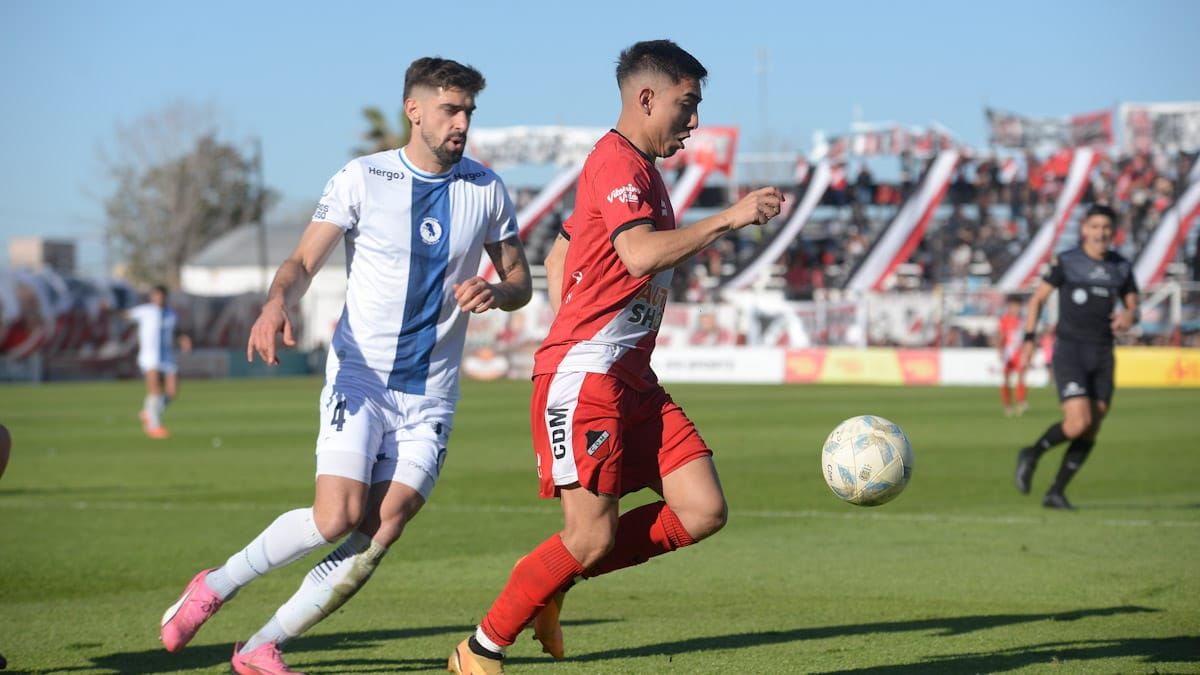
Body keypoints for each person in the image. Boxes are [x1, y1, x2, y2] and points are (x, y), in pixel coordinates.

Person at [158, 56, 532, 675]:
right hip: (361, 377)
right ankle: (214, 585)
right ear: (414, 110)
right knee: (335, 516)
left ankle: (259, 648)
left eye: (469, 110)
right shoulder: (364, 177)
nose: (462, 121)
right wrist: (277, 302)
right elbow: (303, 263)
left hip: (432, 395)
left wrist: (498, 291)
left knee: (383, 527)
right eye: (450, 109)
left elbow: (519, 277)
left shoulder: (486, 189)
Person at [449, 39, 783, 674]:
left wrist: (577, 313)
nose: (694, 121)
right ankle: (480, 648)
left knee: (703, 509)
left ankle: (554, 583)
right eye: (686, 106)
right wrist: (731, 217)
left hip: (629, 377)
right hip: (591, 377)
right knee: (591, 535)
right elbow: (637, 257)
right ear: (647, 97)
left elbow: (559, 255)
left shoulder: (638, 171)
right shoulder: (617, 164)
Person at [1014, 204, 1138, 510]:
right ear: (1084, 229)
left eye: (1106, 227)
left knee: (1093, 426)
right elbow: (1038, 299)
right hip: (1071, 351)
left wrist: (1129, 316)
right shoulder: (1067, 261)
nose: (1100, 233)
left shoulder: (1120, 266)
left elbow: (1133, 304)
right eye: (1094, 226)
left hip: (1103, 354)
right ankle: (1032, 452)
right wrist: (1029, 339)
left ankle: (1055, 492)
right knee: (1077, 423)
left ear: (1113, 231)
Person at [126, 285, 191, 439]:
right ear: (152, 297)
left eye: (161, 296)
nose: (158, 299)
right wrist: (109, 309)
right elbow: (126, 315)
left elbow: (176, 331)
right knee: (154, 390)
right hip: (150, 356)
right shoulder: (145, 311)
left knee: (171, 392)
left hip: (166, 356)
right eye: (155, 296)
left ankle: (148, 412)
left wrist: (183, 339)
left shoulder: (170, 313)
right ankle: (154, 426)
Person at [996, 294, 1027, 416]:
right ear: (1009, 306)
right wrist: (1000, 351)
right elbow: (1001, 337)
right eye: (1013, 306)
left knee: (1021, 377)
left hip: (1019, 352)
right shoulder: (1004, 320)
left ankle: (1020, 402)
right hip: (1008, 352)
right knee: (1006, 380)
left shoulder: (1023, 321)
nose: (1016, 308)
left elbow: (1028, 339)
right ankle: (1007, 405)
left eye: (1018, 306)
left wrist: (1028, 353)